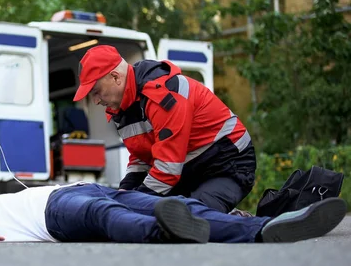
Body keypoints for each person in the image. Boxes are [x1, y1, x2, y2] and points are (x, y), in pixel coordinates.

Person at [72, 45, 256, 214]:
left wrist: (134, 204)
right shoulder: (122, 108)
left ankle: (255, 226)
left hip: (227, 163)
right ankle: (225, 215)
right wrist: (124, 194)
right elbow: (141, 158)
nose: (95, 101)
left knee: (190, 218)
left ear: (115, 77)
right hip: (189, 169)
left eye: (96, 92)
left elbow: (168, 168)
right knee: (162, 216)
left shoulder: (161, 94)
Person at [0, 183, 347, 244]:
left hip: (75, 188)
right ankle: (163, 234)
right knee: (101, 213)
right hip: (54, 213)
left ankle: (265, 229)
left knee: (180, 204)